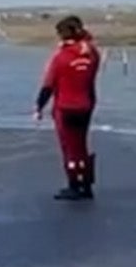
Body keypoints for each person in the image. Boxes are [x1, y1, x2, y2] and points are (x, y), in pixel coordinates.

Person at [34, 15, 102, 200]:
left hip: (66, 107)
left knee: (69, 148)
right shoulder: (92, 53)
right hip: (87, 104)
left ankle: (74, 185)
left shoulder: (61, 58)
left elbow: (48, 84)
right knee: (81, 145)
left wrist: (39, 107)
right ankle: (86, 184)